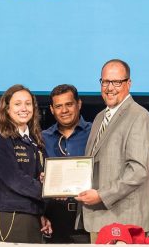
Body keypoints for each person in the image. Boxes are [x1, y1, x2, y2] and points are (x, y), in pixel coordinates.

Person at [75, 59, 149, 243]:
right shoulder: (99, 118)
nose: (110, 87)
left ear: (129, 83)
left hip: (126, 223)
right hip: (100, 221)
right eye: (105, 82)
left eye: (116, 82)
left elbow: (138, 171)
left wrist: (101, 195)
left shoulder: (140, 117)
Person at [0, 84, 52, 243]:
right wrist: (49, 190)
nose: (24, 108)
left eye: (28, 104)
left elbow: (41, 176)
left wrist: (41, 211)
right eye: (17, 104)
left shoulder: (36, 142)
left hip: (31, 216)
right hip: (8, 216)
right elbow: (14, 179)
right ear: (7, 108)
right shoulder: (0, 139)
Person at [42, 84, 91, 243]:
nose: (64, 110)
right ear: (51, 109)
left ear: (79, 104)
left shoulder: (95, 133)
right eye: (58, 106)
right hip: (53, 218)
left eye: (69, 104)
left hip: (87, 216)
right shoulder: (42, 138)